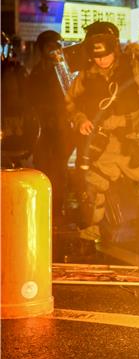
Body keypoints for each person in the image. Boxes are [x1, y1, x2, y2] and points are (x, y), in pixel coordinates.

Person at [65, 21, 139, 248]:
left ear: (114, 49)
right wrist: (80, 119)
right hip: (103, 146)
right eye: (96, 56)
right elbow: (70, 103)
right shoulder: (85, 75)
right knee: (91, 194)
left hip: (134, 141)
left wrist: (126, 122)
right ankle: (88, 242)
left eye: (105, 55)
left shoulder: (134, 70)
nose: (100, 60)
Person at [28, 30, 75, 226]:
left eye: (55, 46)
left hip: (62, 129)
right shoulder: (36, 72)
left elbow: (71, 95)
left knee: (59, 170)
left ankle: (57, 208)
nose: (53, 51)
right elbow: (30, 100)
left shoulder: (64, 70)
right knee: (45, 170)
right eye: (48, 47)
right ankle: (47, 209)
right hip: (43, 131)